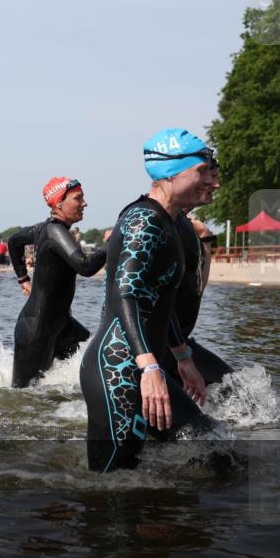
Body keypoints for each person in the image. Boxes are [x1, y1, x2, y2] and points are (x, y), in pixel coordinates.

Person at [80, 128, 217, 472]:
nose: (212, 181)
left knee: (215, 452)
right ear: (170, 173)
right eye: (202, 171)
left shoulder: (169, 222)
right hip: (119, 372)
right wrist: (151, 366)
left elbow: (158, 299)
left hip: (140, 367)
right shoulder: (145, 220)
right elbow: (126, 294)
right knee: (111, 486)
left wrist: (183, 357)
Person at [7, 177, 108, 388]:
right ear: (59, 203)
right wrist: (116, 239)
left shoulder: (42, 229)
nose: (85, 203)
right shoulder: (54, 232)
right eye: (78, 198)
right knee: (23, 400)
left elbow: (14, 241)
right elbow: (86, 266)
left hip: (64, 327)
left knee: (102, 361)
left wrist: (22, 277)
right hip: (36, 333)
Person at [162, 162, 233, 386]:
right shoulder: (166, 223)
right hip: (160, 347)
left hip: (175, 342)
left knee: (236, 394)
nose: (217, 184)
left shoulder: (184, 224)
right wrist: (182, 355)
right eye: (208, 175)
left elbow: (197, 289)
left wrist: (206, 241)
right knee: (238, 392)